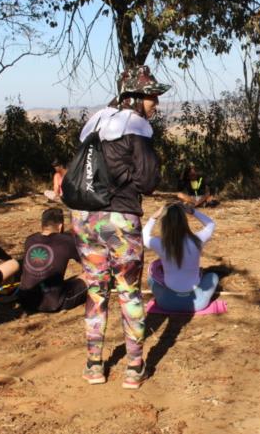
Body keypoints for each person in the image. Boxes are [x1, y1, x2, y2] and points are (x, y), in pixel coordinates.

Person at [72, 65, 164, 389]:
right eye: (153, 96)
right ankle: (134, 368)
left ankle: (94, 366)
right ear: (136, 97)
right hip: (118, 221)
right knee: (128, 292)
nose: (156, 102)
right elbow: (149, 180)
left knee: (96, 290)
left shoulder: (95, 122)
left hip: (84, 220)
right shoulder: (136, 125)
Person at [143, 203, 218, 312]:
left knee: (151, 276)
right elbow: (211, 224)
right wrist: (193, 212)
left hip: (167, 302)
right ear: (184, 221)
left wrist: (154, 217)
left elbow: (144, 236)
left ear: (164, 223)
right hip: (198, 303)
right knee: (213, 276)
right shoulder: (197, 240)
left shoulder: (160, 244)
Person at [17, 208, 87, 313]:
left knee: (73, 279)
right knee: (90, 275)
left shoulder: (30, 239)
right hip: (53, 303)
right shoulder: (66, 241)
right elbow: (89, 264)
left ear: (42, 225)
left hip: (25, 300)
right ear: (60, 226)